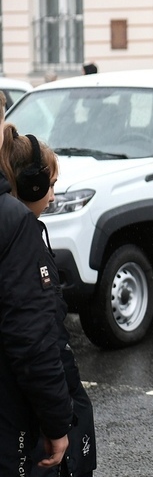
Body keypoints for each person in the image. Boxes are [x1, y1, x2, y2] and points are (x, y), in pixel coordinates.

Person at [0, 126, 97, 477]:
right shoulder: (18, 231)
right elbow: (35, 343)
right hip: (21, 424)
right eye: (51, 184)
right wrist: (58, 423)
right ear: (31, 184)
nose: (53, 196)